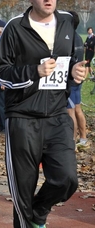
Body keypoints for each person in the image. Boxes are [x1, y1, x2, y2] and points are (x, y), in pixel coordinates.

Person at [0, 0, 83, 228]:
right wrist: (35, 71)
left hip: (57, 114)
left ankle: (38, 214)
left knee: (67, 178)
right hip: (23, 117)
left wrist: (76, 71)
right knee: (24, 183)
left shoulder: (68, 20)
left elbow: (72, 59)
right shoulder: (15, 27)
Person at [67, 11, 88, 149]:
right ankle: (83, 139)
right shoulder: (79, 37)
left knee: (70, 112)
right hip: (79, 78)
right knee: (78, 109)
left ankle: (72, 143)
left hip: (71, 79)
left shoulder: (68, 38)